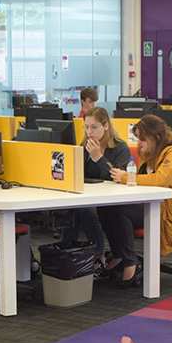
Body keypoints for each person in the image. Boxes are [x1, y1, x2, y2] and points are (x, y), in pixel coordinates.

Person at [100, 114, 172, 284]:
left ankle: (130, 262)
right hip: (153, 205)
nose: (139, 143)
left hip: (170, 213)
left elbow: (160, 179)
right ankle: (120, 256)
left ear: (156, 137)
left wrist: (126, 177)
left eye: (143, 139)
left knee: (121, 212)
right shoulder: (151, 153)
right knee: (107, 208)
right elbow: (143, 180)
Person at [65, 106, 132, 256]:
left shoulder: (120, 148)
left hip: (113, 199)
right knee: (73, 209)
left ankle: (98, 254)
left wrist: (98, 158)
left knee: (86, 211)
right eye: (86, 127)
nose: (89, 132)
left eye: (94, 127)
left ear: (106, 125)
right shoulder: (85, 145)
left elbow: (116, 177)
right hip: (88, 195)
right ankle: (68, 254)